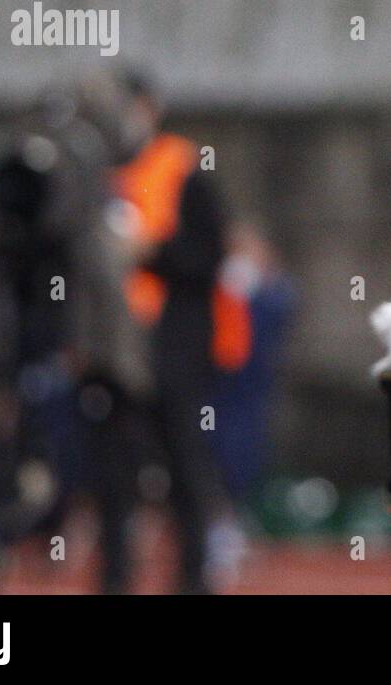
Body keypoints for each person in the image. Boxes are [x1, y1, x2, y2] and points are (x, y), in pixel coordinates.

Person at [113, 71, 240, 593]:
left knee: (187, 463)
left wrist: (149, 253)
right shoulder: (99, 173)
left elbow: (207, 258)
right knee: (115, 472)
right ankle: (116, 575)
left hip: (175, 345)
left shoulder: (184, 170)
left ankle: (195, 575)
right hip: (116, 347)